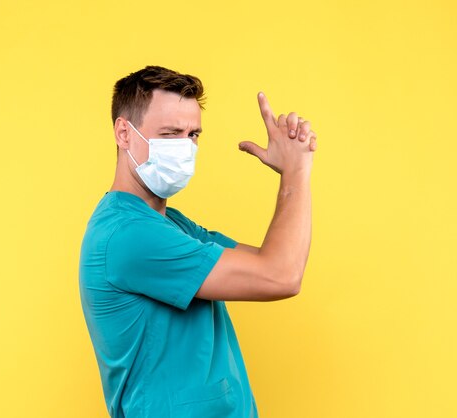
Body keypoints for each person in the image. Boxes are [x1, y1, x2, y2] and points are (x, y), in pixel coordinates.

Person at [79, 65, 317, 418]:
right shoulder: (128, 235)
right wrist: (296, 171)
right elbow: (280, 275)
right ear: (124, 133)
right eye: (171, 133)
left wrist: (294, 171)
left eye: (193, 135)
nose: (185, 147)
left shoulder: (169, 224)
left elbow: (275, 259)